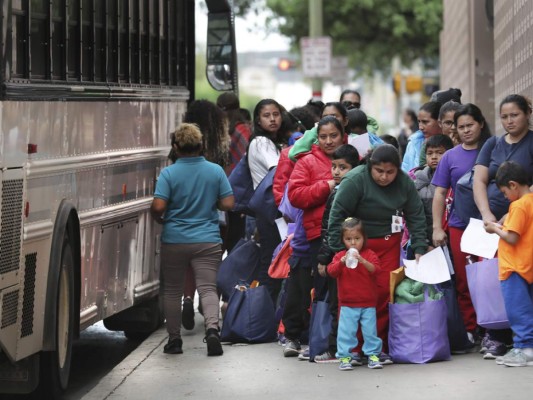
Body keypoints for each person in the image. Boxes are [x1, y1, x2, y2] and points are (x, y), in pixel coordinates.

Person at [328, 144, 428, 361]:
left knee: (382, 295)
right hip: (357, 247)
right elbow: (336, 216)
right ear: (370, 166)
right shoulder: (355, 180)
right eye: (379, 171)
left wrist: (420, 246)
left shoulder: (404, 183)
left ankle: (376, 347)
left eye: (390, 172)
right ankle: (353, 349)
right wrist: (339, 252)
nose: (384, 177)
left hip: (388, 245)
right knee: (354, 296)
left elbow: (416, 214)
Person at [151, 123, 234, 356]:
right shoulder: (215, 171)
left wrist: (159, 218)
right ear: (201, 146)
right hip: (207, 239)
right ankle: (212, 331)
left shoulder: (169, 173)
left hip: (175, 239)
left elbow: (158, 205)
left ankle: (175, 340)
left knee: (173, 291)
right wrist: (212, 202)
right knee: (208, 288)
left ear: (176, 147)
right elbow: (228, 204)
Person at [473, 94, 533, 359]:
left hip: (521, 224)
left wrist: (506, 221)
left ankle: (523, 343)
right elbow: (479, 180)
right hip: (493, 223)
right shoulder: (492, 143)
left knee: (519, 292)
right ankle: (498, 337)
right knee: (493, 286)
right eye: (504, 116)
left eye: (515, 115)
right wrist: (488, 216)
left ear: (527, 113)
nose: (509, 121)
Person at [282, 116, 346, 357]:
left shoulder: (354, 159)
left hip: (348, 234)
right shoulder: (307, 161)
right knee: (313, 287)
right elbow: (296, 195)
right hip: (314, 234)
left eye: (334, 136)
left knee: (337, 289)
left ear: (343, 134)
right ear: (316, 138)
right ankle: (302, 338)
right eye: (323, 137)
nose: (329, 141)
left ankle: (331, 340)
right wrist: (327, 185)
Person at [432, 103, 492, 350]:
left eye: (470, 125)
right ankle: (470, 328)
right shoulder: (450, 156)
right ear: (455, 130)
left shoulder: (493, 149)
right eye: (461, 127)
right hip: (459, 226)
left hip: (491, 226)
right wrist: (437, 227)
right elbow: (440, 193)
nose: (466, 130)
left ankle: (493, 330)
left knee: (489, 279)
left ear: (480, 124)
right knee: (465, 282)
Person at [180, 99, 231, 329]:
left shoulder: (179, 157)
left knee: (188, 264)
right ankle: (207, 308)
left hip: (183, 221)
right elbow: (227, 200)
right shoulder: (217, 159)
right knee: (210, 264)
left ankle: (188, 299)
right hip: (212, 221)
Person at [484, 161, 533, 367]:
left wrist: (494, 228)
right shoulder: (530, 201)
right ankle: (525, 347)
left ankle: (525, 348)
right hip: (525, 265)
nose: (505, 197)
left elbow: (511, 238)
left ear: (513, 185)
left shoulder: (519, 205)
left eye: (504, 192)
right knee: (526, 308)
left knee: (517, 310)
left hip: (514, 267)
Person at [314, 144, 360, 363]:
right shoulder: (337, 191)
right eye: (334, 166)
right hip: (338, 256)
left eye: (343, 167)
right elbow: (328, 228)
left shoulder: (349, 191)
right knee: (338, 303)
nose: (336, 171)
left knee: (340, 304)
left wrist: (324, 257)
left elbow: (331, 229)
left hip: (343, 258)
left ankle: (337, 349)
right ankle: (339, 347)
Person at [326, 218, 383, 370]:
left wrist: (363, 261)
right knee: (346, 333)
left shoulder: (369, 254)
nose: (353, 243)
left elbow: (377, 270)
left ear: (364, 238)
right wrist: (341, 262)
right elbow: (331, 271)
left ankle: (373, 355)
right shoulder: (340, 256)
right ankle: (345, 357)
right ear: (343, 240)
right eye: (348, 239)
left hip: (368, 302)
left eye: (357, 238)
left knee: (370, 332)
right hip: (348, 303)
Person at [247, 99, 286, 300]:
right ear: (258, 120)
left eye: (276, 114)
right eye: (266, 115)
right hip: (270, 210)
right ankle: (261, 311)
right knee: (271, 263)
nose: (272, 119)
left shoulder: (270, 142)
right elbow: (278, 168)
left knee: (272, 261)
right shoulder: (261, 142)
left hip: (269, 210)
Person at [412, 134, 453, 247]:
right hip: (426, 237)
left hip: (450, 234)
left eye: (440, 153)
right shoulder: (418, 179)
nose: (434, 157)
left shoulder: (453, 179)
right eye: (430, 153)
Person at [401, 101, 443, 172]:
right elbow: (405, 173)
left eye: (425, 122)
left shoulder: (451, 144)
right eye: (419, 121)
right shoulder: (413, 143)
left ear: (439, 122)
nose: (420, 127)